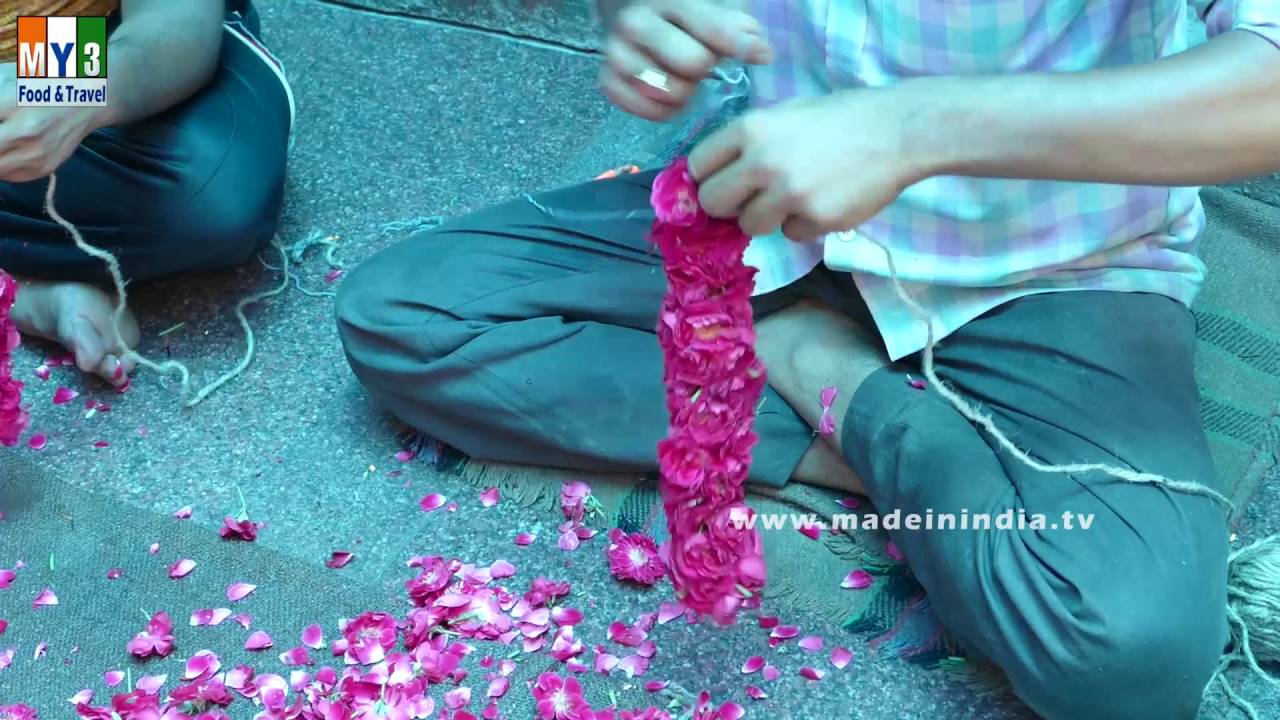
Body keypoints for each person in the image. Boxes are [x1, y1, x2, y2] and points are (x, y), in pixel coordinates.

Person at [336, 1, 1280, 717]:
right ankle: (861, 409)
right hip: (772, 204)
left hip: (1050, 260)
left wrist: (917, 130)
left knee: (1125, 652)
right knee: (407, 317)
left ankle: (811, 364)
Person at [0, 0, 293, 385]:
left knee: (210, 196)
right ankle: (19, 293)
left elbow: (169, 18)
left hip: (71, 42)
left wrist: (81, 93)